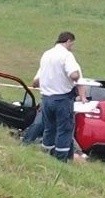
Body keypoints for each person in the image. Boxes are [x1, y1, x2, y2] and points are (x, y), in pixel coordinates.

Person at [32, 31, 88, 162]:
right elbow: (75, 76)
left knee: (49, 128)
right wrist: (76, 76)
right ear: (68, 41)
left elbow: (35, 82)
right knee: (64, 129)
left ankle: (46, 155)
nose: (72, 47)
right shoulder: (66, 56)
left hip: (46, 99)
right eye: (72, 44)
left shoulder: (46, 55)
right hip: (62, 99)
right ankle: (60, 160)